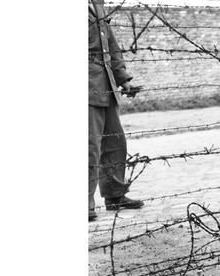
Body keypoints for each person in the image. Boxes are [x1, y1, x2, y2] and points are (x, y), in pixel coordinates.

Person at [89, 0, 144, 222]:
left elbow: (111, 46)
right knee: (89, 146)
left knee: (115, 141)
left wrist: (123, 79)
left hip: (106, 84)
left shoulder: (97, 5)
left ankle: (114, 195)